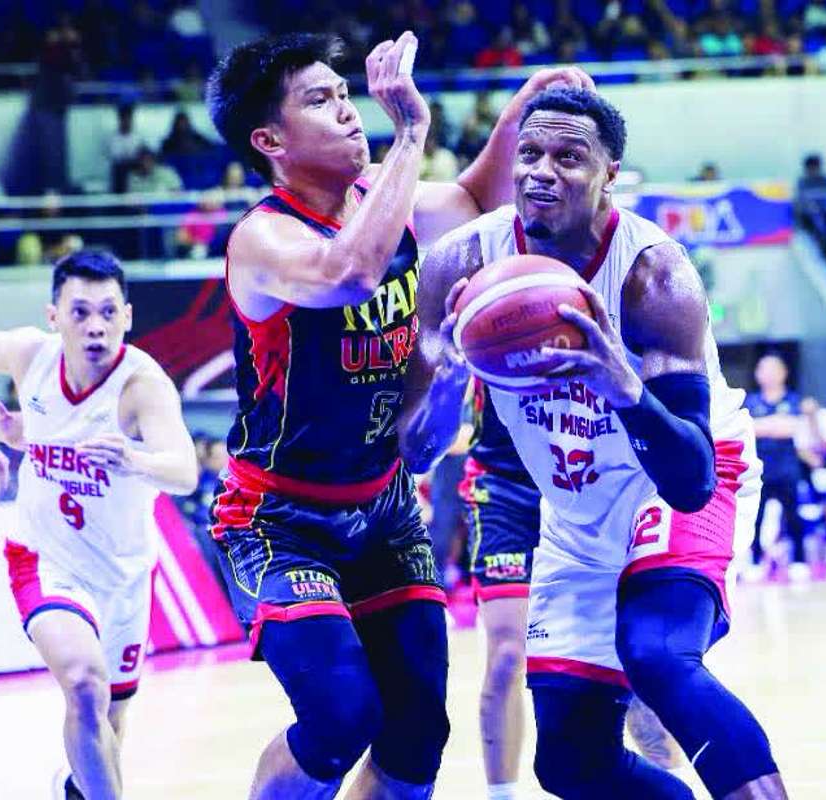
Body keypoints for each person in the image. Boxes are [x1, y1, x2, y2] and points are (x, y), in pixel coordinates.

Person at [204, 31, 593, 799]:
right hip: (277, 517)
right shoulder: (264, 237)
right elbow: (349, 271)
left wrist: (534, 100)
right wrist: (411, 130)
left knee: (417, 734)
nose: (348, 112)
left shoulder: (394, 203)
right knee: (342, 715)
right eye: (321, 101)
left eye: (346, 94)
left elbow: (480, 200)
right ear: (269, 141)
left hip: (382, 508)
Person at [401, 87, 786, 800]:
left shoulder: (654, 278)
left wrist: (624, 386)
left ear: (610, 174)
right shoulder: (457, 267)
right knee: (572, 765)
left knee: (657, 656)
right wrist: (452, 374)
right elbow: (418, 453)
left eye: (569, 157)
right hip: (575, 504)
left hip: (674, 475)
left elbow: (691, 478)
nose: (542, 171)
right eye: (531, 153)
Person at [0, 249, 197, 800]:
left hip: (124, 575)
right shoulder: (29, 354)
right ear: (54, 316)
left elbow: (184, 471)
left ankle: (77, 789)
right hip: (44, 559)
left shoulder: (142, 385)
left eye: (108, 312)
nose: (95, 326)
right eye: (80, 312)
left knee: (109, 722)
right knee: (83, 684)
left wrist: (135, 460)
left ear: (127, 316)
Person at [459, 381, 684, 799]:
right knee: (508, 654)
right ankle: (501, 795)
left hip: (592, 479)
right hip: (506, 487)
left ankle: (665, 779)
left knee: (635, 657)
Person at [742, 353, 807, 580]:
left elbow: (792, 427)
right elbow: (748, 428)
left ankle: (799, 560)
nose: (768, 374)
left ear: (783, 373)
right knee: (756, 517)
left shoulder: (793, 399)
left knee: (793, 515)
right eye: (763, 369)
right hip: (759, 469)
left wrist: (765, 426)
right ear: (757, 374)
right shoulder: (751, 401)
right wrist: (774, 425)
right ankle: (756, 560)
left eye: (773, 369)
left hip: (787, 468)